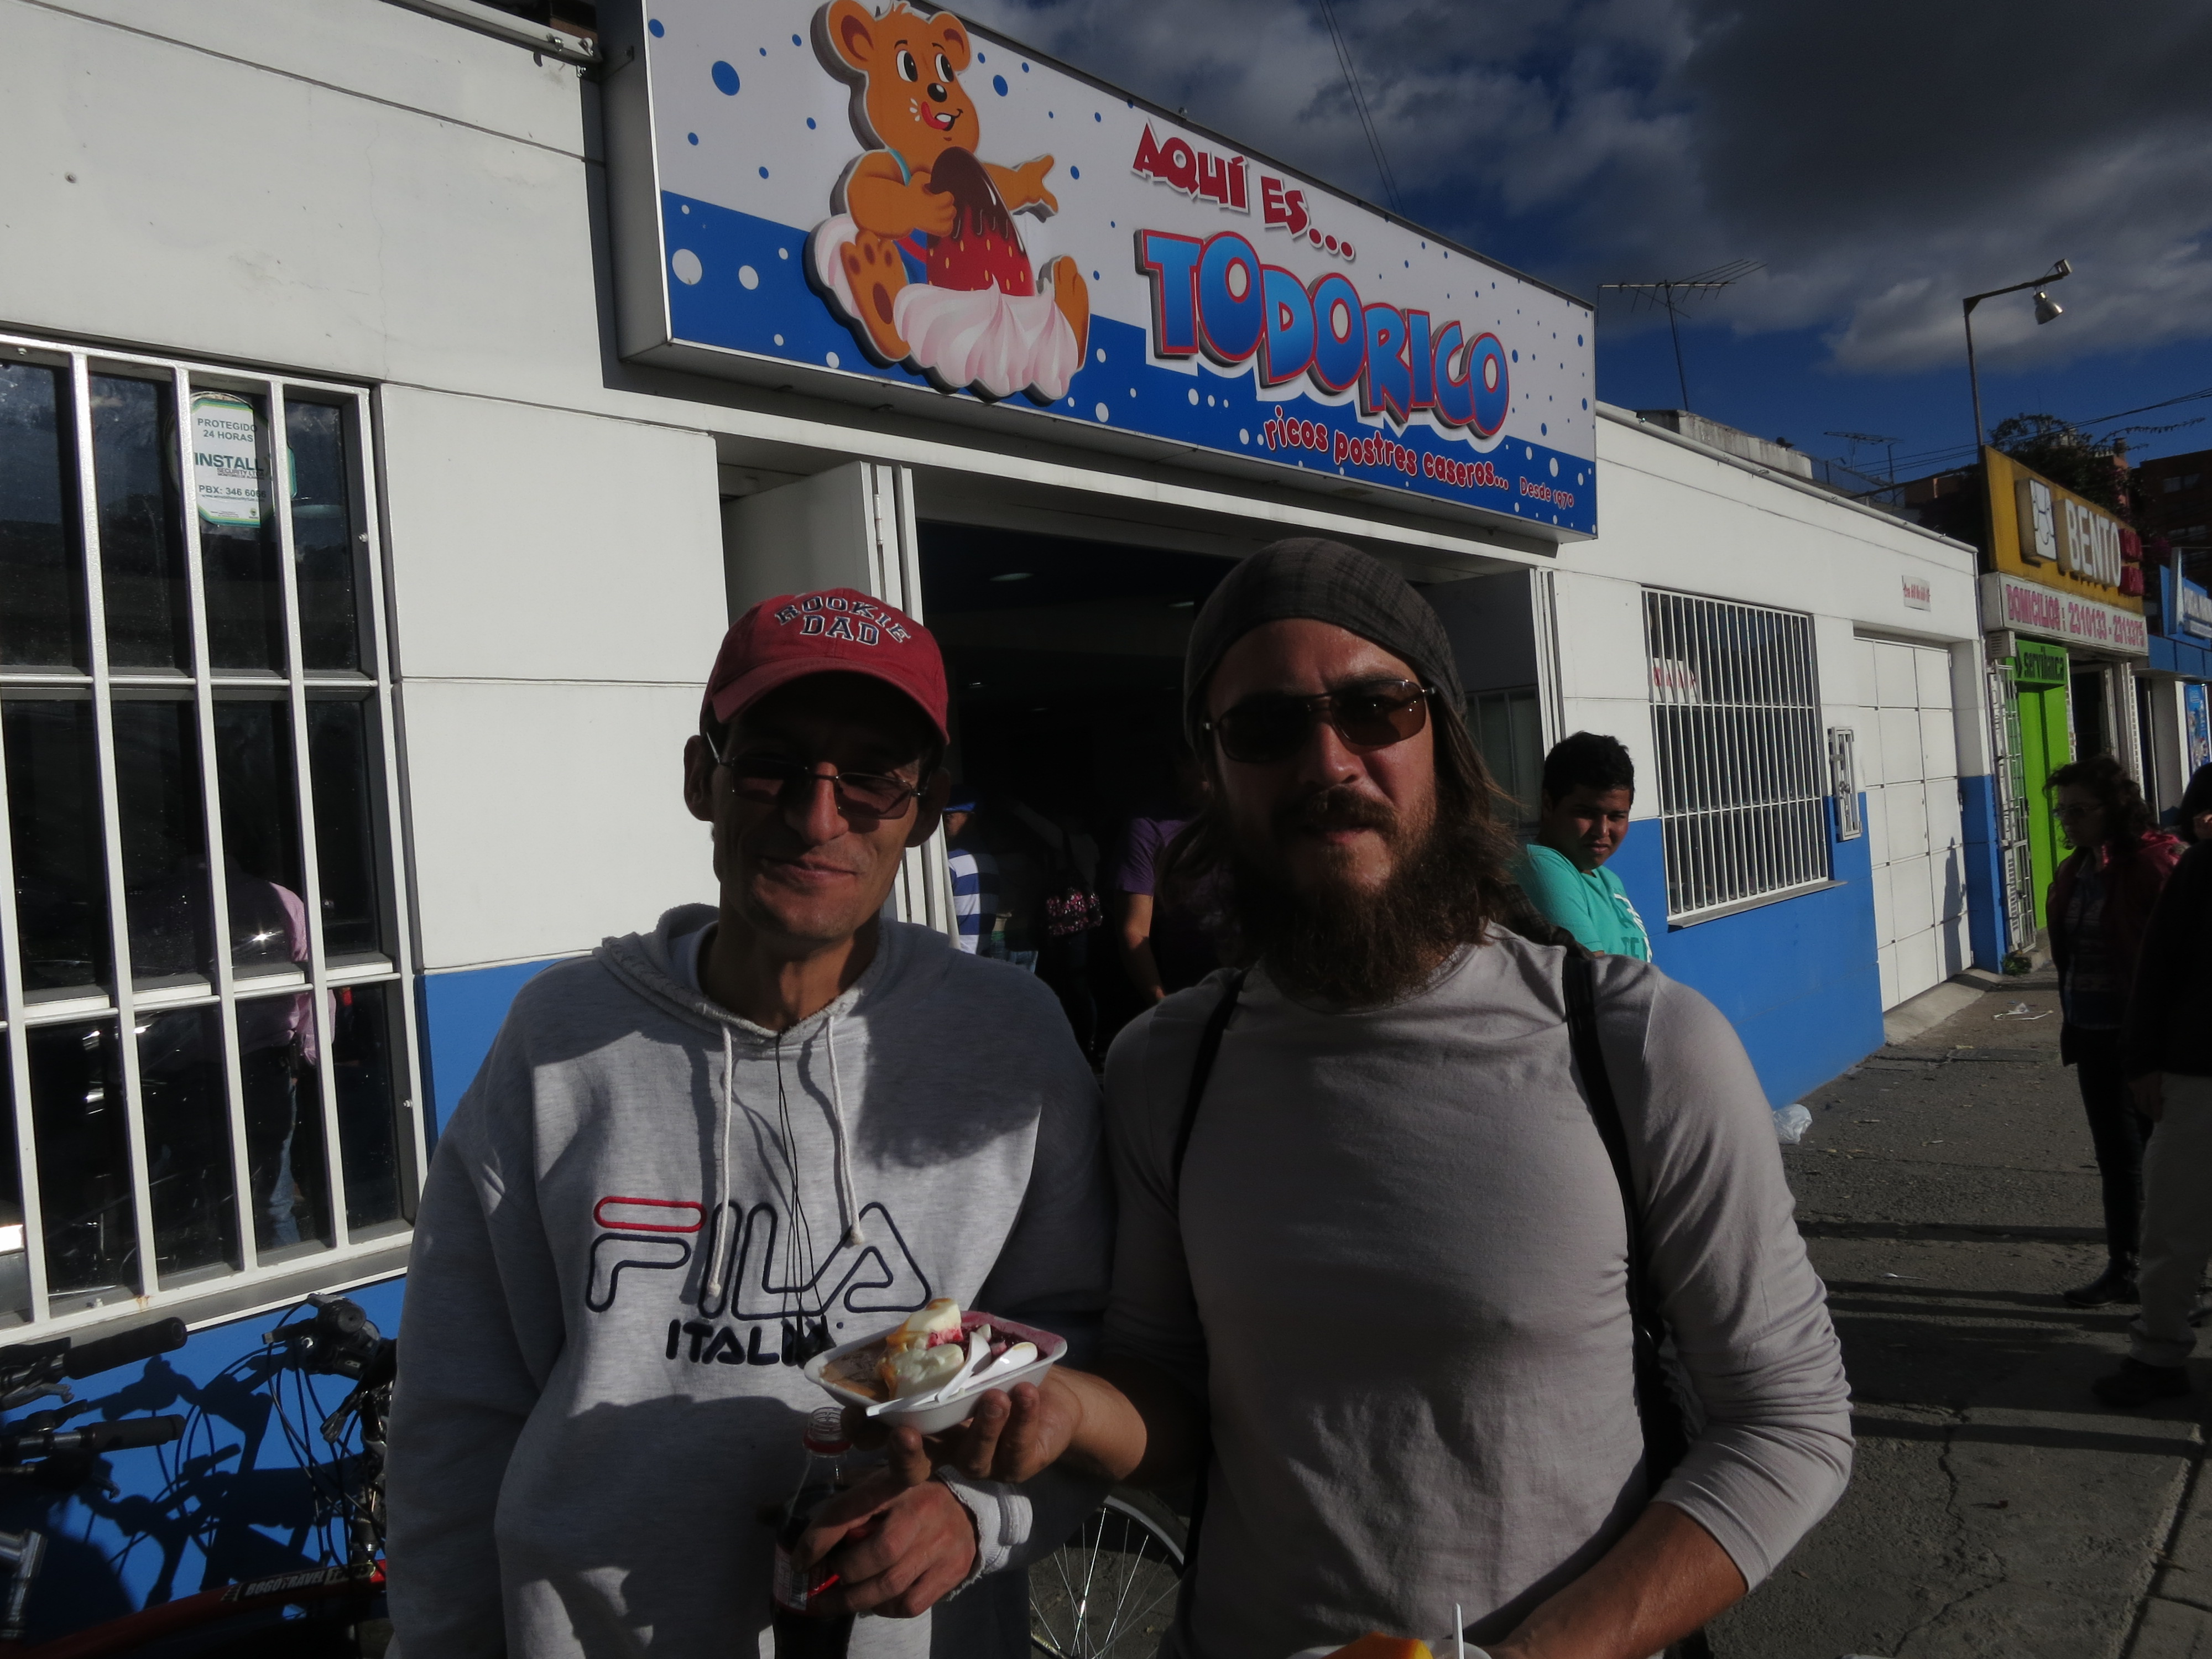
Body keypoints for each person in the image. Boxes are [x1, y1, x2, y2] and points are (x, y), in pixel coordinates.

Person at [849, 539, 1854, 1658]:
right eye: (1265, 727)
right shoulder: (1163, 1066)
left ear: (1446, 743)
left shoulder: (1639, 1045)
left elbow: (1788, 1424)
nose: (1328, 761)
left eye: (1377, 709)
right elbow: (1168, 1396)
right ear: (1211, 773)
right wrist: (1067, 1411)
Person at [385, 588, 1112, 1657]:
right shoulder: (560, 1039)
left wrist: (978, 1517)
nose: (818, 818)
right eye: (773, 764)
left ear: (924, 809)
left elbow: (1080, 1351)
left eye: (874, 776)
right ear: (702, 778)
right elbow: (457, 1402)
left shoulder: (1010, 1041)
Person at [2094, 764, 2212, 1406]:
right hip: (2198, 1078)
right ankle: (2157, 1356)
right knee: (2172, 1227)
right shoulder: (2199, 871)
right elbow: (2156, 967)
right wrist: (2141, 1062)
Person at [2047, 755, 2183, 1309]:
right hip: (2093, 1032)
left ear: (2114, 808)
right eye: (2062, 811)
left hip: (2152, 1040)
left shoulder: (2156, 864)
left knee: (2168, 1160)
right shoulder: (2074, 870)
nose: (2068, 821)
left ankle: (2181, 1277)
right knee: (2117, 1158)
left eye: (2079, 810)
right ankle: (2124, 1268)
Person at [1512, 731, 1651, 960]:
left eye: (1616, 816)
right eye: (1586, 813)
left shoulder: (1609, 880)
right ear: (1548, 804)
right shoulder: (1539, 865)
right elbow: (1595, 976)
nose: (1602, 831)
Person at [1110, 749, 1224, 1002]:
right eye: (1210, 764)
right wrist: (1162, 1003)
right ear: (1182, 764)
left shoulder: (1246, 814)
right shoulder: (1148, 827)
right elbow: (1134, 930)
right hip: (1193, 990)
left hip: (1260, 983)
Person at [943, 796, 1001, 955]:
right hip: (981, 953)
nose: (943, 825)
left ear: (971, 819)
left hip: (959, 955)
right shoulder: (989, 860)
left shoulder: (951, 862)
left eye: (949, 818)